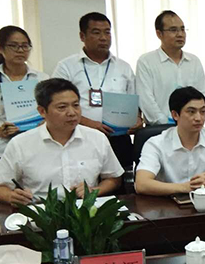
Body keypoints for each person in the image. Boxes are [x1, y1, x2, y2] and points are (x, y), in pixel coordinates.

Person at [0, 78, 124, 205]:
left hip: (84, 212)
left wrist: (94, 191)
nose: (72, 113)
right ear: (42, 111)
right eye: (62, 107)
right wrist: (11, 196)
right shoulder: (20, 143)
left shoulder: (97, 138)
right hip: (41, 212)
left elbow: (113, 178)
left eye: (76, 105)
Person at [53, 12, 141, 171]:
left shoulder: (123, 67)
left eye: (107, 32)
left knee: (121, 181)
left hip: (118, 138)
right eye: (96, 32)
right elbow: (57, 103)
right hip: (80, 136)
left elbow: (134, 102)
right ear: (82, 36)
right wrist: (89, 123)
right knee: (84, 180)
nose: (103, 38)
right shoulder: (66, 66)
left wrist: (137, 119)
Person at [135, 87, 205, 196]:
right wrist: (186, 187)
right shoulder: (155, 144)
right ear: (175, 115)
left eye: (202, 111)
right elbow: (141, 184)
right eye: (191, 112)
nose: (198, 118)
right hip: (167, 202)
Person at [0, 26, 48, 180]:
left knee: (34, 194)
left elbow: (51, 112)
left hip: (35, 149)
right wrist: (0, 132)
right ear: (0, 48)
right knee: (2, 193)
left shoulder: (41, 78)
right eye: (13, 46)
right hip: (0, 150)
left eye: (25, 46)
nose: (20, 50)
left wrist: (42, 124)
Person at [136, 10, 205, 125]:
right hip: (159, 129)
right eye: (173, 30)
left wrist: (193, 119)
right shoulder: (146, 62)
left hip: (191, 127)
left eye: (182, 29)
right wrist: (167, 123)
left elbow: (203, 94)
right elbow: (146, 100)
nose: (180, 34)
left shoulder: (194, 61)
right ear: (159, 34)